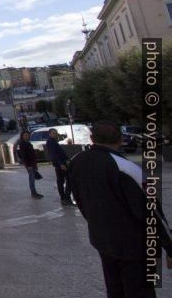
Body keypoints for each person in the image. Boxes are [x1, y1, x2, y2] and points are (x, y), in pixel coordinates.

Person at [69, 121, 172, 298]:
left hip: (102, 240)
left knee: (115, 290)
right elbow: (151, 210)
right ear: (120, 140)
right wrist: (169, 246)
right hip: (134, 246)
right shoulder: (126, 168)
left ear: (92, 138)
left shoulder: (76, 162)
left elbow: (78, 200)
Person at [45, 128, 73, 205]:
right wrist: (61, 164)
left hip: (60, 163)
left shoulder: (53, 140)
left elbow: (60, 152)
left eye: (56, 133)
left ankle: (64, 198)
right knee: (68, 180)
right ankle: (66, 198)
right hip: (60, 164)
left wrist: (67, 159)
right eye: (53, 133)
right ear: (49, 134)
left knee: (61, 181)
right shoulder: (50, 141)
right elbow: (54, 154)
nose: (55, 134)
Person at [17, 130, 43, 199]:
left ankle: (34, 193)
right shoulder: (22, 144)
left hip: (33, 163)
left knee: (33, 179)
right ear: (22, 136)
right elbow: (24, 156)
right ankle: (33, 193)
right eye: (25, 135)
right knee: (31, 179)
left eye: (28, 135)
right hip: (29, 164)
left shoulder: (27, 143)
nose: (27, 136)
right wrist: (28, 165)